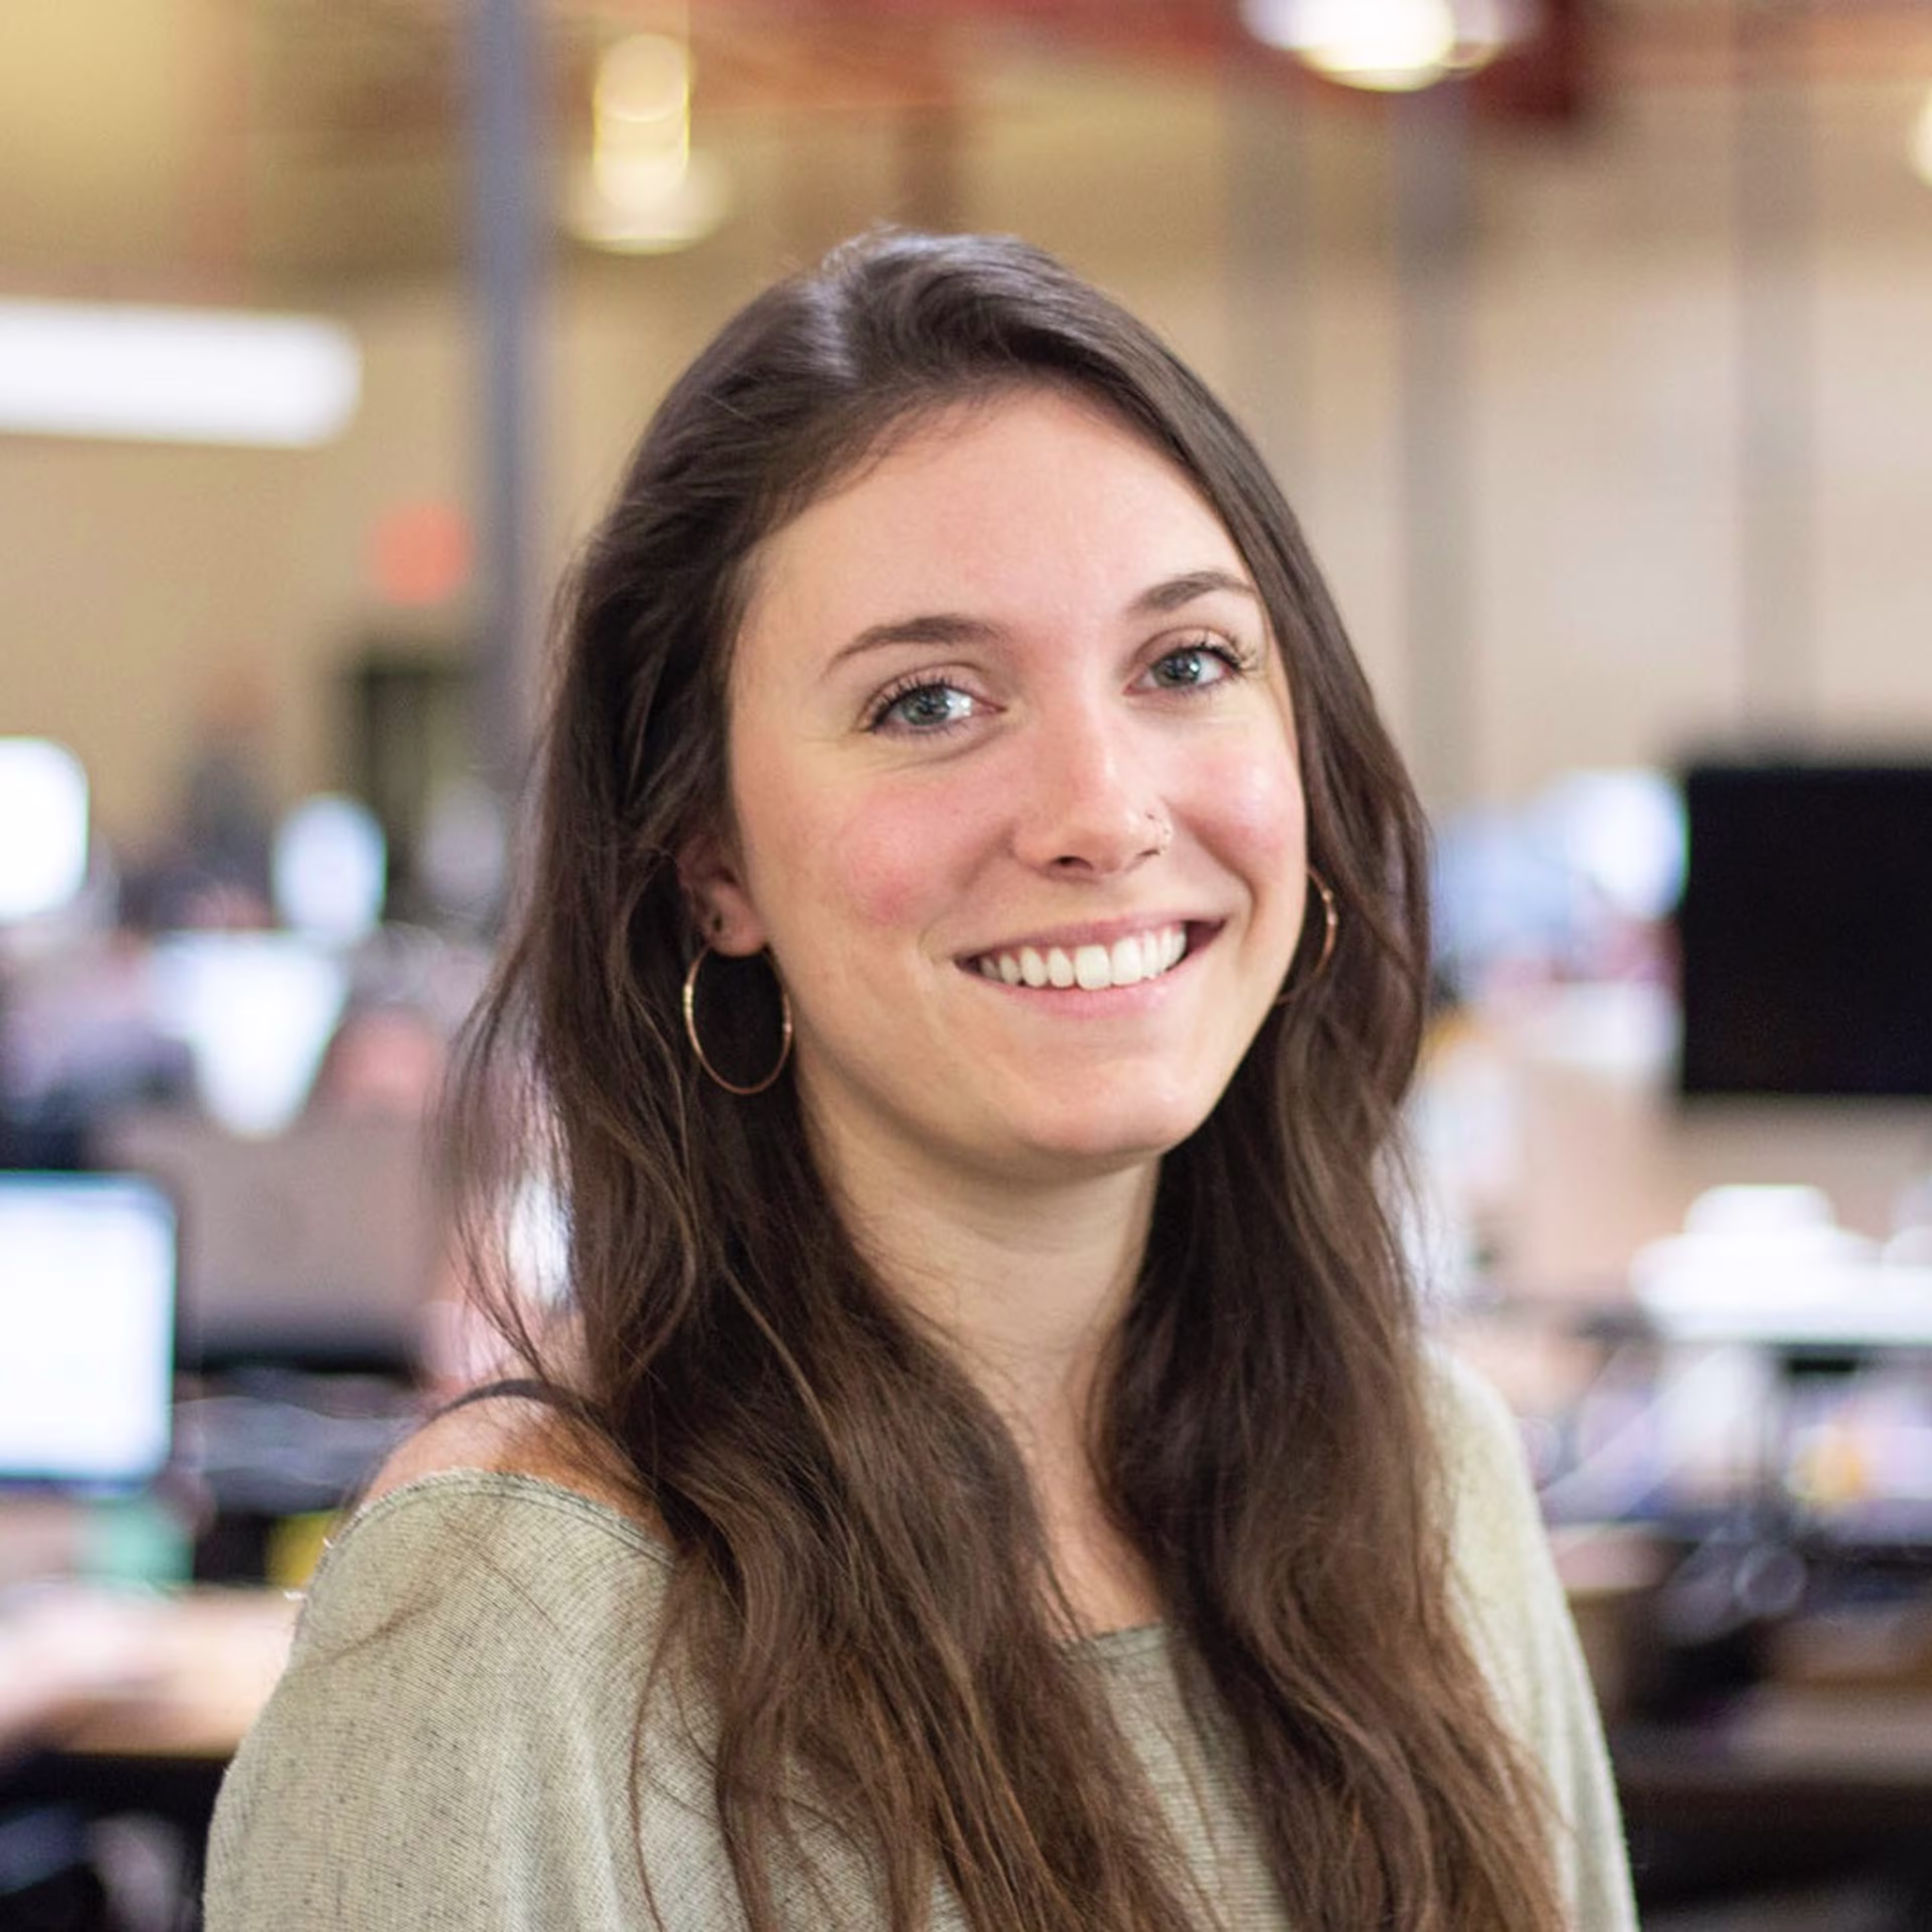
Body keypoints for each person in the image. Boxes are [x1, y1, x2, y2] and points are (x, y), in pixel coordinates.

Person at [206, 230, 1637, 1931]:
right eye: (930, 701)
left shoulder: (1424, 1478)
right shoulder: (510, 1627)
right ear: (710, 863)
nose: (1104, 814)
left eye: (1187, 664)